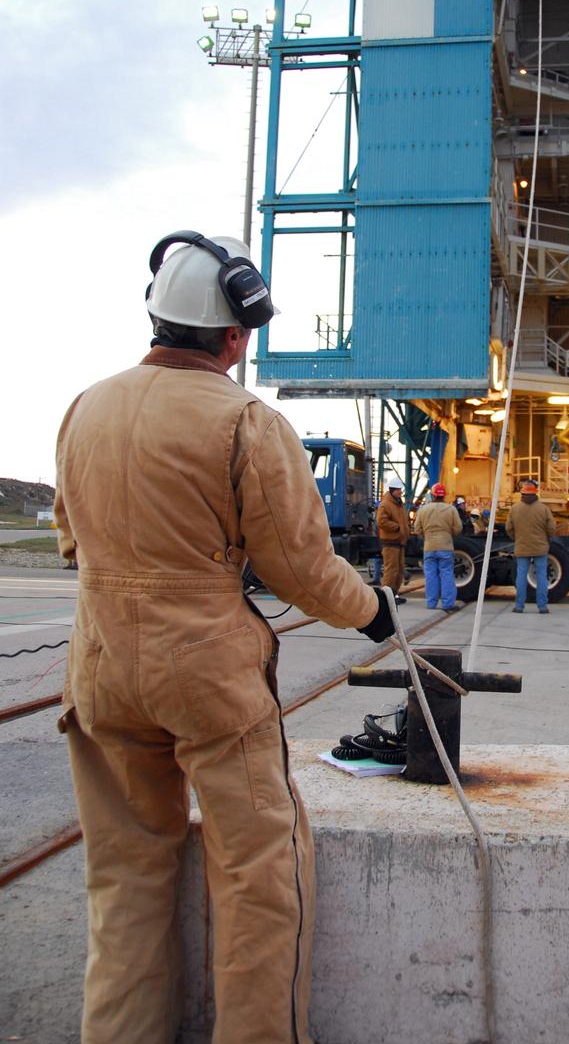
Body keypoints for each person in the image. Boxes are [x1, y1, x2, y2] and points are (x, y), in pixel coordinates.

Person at [53, 231, 396, 1044]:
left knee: (126, 878)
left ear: (157, 315)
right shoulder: (246, 420)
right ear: (236, 332)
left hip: (99, 669)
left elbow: (73, 542)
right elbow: (301, 570)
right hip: (207, 678)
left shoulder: (84, 406)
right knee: (259, 874)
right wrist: (371, 610)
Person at [506, 480, 556, 614]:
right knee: (541, 576)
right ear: (536, 492)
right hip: (540, 548)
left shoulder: (515, 509)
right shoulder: (543, 509)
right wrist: (547, 539)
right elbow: (551, 528)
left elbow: (508, 528)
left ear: (522, 492)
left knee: (521, 576)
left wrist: (516, 539)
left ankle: (519, 606)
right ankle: (542, 606)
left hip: (522, 547)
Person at [413, 483, 461, 613]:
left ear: (433, 495)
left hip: (429, 547)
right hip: (445, 546)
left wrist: (427, 536)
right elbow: (458, 528)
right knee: (446, 574)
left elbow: (417, 529)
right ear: (443, 495)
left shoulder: (423, 510)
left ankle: (431, 603)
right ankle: (447, 603)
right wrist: (448, 534)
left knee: (430, 575)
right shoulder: (451, 510)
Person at [377, 476, 410, 603]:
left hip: (399, 542)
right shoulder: (386, 504)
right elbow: (381, 521)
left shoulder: (398, 504)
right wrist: (397, 528)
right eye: (398, 490)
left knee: (399, 569)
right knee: (391, 570)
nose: (400, 492)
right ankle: (386, 596)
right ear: (392, 490)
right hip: (391, 542)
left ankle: (394, 594)